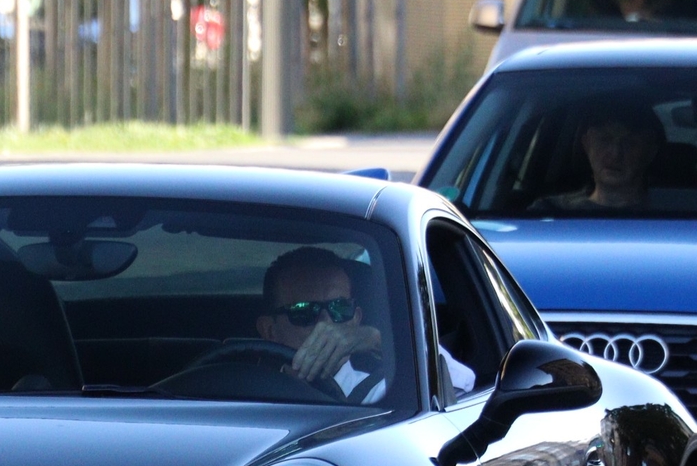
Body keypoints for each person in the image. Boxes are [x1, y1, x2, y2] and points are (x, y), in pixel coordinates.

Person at [251, 247, 472, 400]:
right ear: (269, 330)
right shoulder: (247, 391)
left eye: (340, 308)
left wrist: (378, 341)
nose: (325, 324)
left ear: (356, 318)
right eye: (303, 311)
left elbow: (460, 385)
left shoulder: (383, 393)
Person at [527, 101, 662, 213]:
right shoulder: (547, 213)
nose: (615, 154)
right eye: (604, 140)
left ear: (650, 152)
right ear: (586, 144)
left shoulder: (671, 215)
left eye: (629, 143)